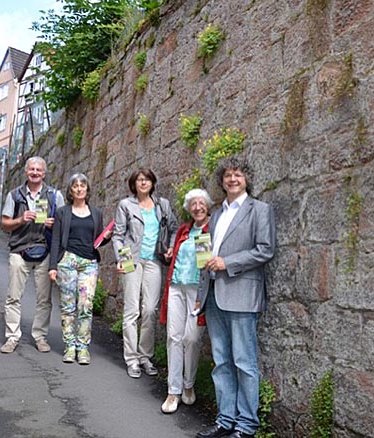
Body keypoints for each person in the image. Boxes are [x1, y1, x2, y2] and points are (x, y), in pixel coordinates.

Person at [195, 157, 276, 438]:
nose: (232, 179)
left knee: (244, 363)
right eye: (228, 175)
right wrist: (200, 294)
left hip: (243, 294)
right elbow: (206, 258)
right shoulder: (216, 215)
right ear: (222, 181)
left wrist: (227, 262)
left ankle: (246, 426)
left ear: (246, 179)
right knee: (221, 363)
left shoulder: (260, 210)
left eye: (238, 175)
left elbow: (266, 250)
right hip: (215, 296)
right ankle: (225, 420)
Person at [112, 168, 178, 378]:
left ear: (152, 182)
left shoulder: (162, 205)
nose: (143, 183)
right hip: (131, 259)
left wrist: (171, 247)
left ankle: (145, 356)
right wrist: (121, 259)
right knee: (132, 310)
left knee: (150, 309)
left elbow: (175, 228)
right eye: (139, 180)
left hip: (154, 259)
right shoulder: (126, 205)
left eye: (147, 179)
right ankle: (131, 358)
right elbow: (118, 235)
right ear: (134, 184)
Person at [0, 156, 65, 354]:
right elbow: (4, 224)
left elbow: (64, 224)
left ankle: (40, 336)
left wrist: (53, 224)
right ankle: (12, 337)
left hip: (44, 251)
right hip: (19, 250)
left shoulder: (55, 196)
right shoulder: (15, 195)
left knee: (44, 299)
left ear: (44, 173)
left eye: (38, 170)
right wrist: (21, 219)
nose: (35, 172)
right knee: (13, 297)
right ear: (26, 172)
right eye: (32, 169)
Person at [159, 189, 213, 414]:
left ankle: (188, 384)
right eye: (193, 204)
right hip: (176, 287)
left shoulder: (212, 228)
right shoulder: (184, 229)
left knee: (192, 338)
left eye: (201, 203)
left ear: (207, 206)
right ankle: (174, 390)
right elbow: (174, 252)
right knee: (174, 337)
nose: (197, 207)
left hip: (197, 290)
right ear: (189, 209)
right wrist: (171, 253)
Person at [48, 173, 111, 365]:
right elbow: (57, 239)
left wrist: (107, 236)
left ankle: (83, 348)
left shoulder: (96, 213)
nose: (79, 189)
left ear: (87, 189)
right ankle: (69, 346)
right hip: (67, 261)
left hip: (89, 262)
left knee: (86, 305)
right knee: (68, 306)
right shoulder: (62, 212)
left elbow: (98, 241)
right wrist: (53, 266)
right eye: (75, 186)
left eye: (82, 185)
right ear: (70, 190)